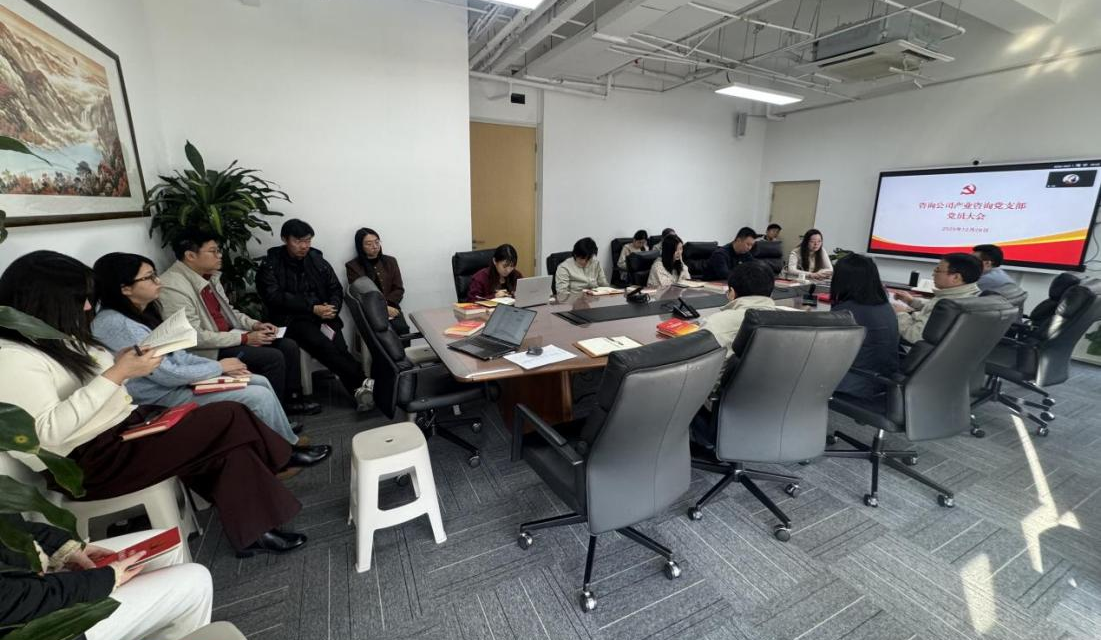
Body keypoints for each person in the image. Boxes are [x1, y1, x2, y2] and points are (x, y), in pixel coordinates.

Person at [0, 251, 314, 557]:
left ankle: (255, 531)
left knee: (228, 445)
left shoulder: (58, 339)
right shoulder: (13, 357)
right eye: (79, 299)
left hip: (123, 431)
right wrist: (117, 373)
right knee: (229, 415)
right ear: (43, 301)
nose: (86, 306)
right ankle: (282, 457)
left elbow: (99, 387)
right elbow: (45, 434)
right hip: (89, 463)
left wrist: (119, 365)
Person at [91, 253, 333, 458]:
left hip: (179, 380)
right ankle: (284, 455)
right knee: (257, 393)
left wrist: (224, 361)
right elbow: (167, 373)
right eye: (149, 277)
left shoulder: (143, 311)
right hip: (159, 396)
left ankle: (281, 441)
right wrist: (219, 367)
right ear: (125, 288)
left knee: (259, 380)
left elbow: (177, 354)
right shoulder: (120, 324)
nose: (158, 281)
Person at [159, 229, 321, 416]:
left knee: (288, 345)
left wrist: (254, 325)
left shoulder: (208, 275)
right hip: (207, 351)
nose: (220, 255)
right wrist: (245, 338)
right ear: (190, 256)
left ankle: (292, 400)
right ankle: (271, 414)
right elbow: (193, 337)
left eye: (219, 250)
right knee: (272, 357)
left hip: (227, 337)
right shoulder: (173, 287)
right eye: (213, 251)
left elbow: (229, 312)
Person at [0, 514, 211, 640]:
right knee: (194, 581)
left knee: (163, 549)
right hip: (34, 627)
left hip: (33, 577)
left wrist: (62, 548)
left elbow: (10, 521)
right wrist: (106, 579)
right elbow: (12, 601)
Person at [256, 219, 368, 399]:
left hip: (323, 316)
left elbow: (335, 288)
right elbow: (274, 297)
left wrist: (332, 308)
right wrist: (311, 308)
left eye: (308, 241)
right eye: (298, 241)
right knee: (323, 345)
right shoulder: (271, 264)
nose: (304, 246)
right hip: (292, 320)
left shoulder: (317, 259)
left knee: (339, 347)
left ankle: (360, 392)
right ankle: (362, 382)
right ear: (285, 239)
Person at [692, 261, 791, 447]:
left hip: (723, 411)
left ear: (731, 292)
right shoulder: (792, 322)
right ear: (770, 293)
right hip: (778, 408)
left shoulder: (717, 323)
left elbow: (698, 373)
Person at [829, 254, 900, 398]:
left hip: (858, 382)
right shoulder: (885, 305)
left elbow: (824, 347)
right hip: (884, 379)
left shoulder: (847, 312)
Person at [892, 253, 982, 343]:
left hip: (908, 347)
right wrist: (912, 301)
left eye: (937, 271)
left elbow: (913, 336)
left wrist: (901, 313)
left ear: (956, 277)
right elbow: (937, 307)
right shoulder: (970, 295)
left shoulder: (951, 304)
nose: (933, 274)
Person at [345, 227, 409, 336]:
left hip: (392, 307)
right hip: (369, 312)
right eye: (369, 244)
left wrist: (387, 306)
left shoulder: (390, 261)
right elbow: (359, 295)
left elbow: (398, 289)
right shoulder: (353, 266)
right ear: (360, 246)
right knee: (381, 334)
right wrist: (383, 308)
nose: (375, 246)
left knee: (402, 329)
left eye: (377, 242)